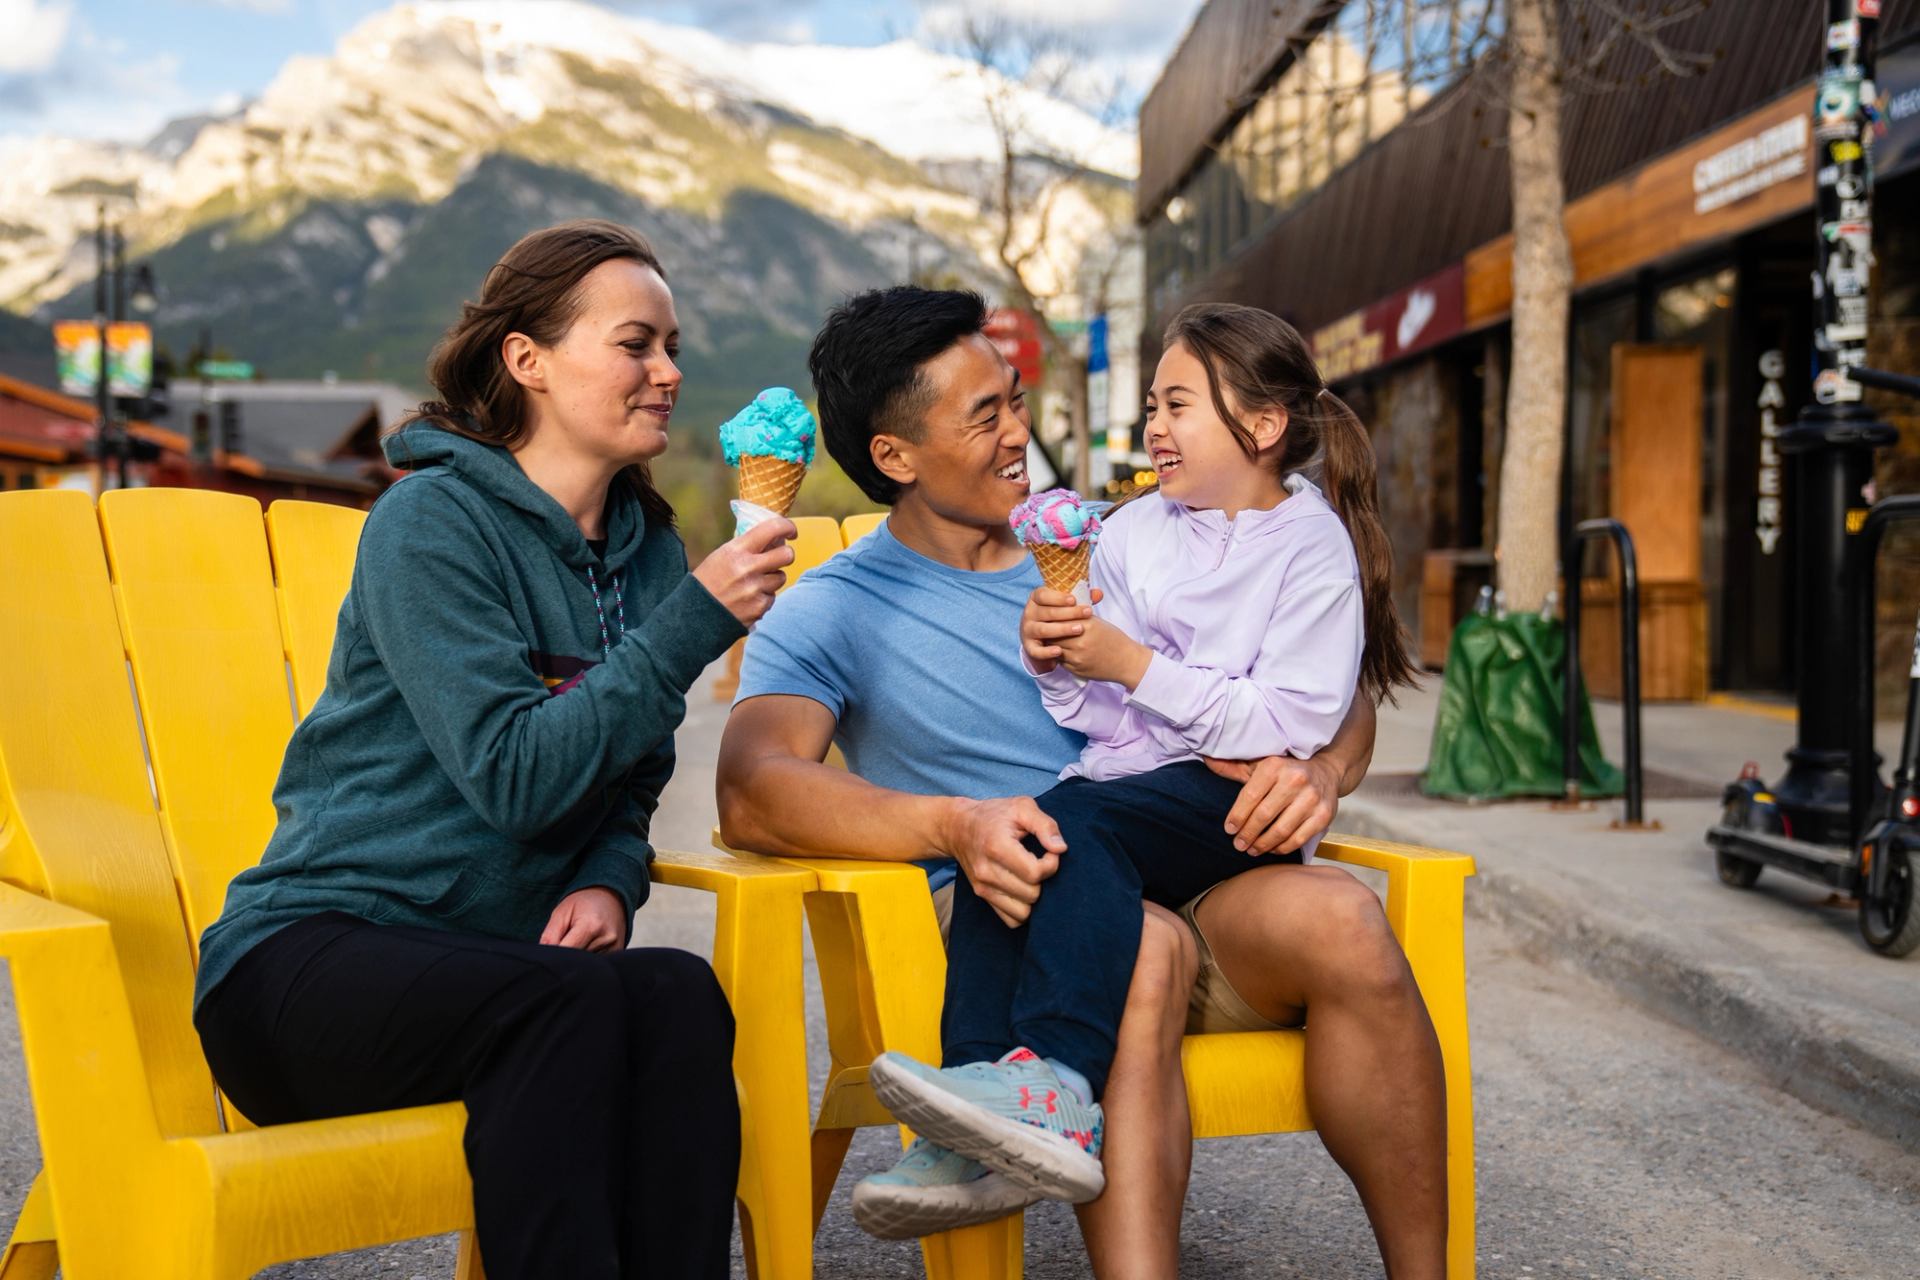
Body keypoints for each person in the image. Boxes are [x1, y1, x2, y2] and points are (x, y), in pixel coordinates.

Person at [716, 285, 1448, 1279]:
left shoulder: (1122, 538)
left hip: (1188, 863)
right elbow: (753, 787)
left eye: (1015, 399)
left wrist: (1323, 767)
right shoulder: (834, 606)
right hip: (1014, 906)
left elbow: (1328, 685)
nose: (1021, 433)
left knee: (1348, 918)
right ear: (896, 455)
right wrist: (957, 825)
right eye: (987, 416)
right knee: (1140, 943)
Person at [191, 220, 796, 1280]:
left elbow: (634, 760)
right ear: (528, 360)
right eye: (636, 344)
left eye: (673, 345)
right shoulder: (430, 526)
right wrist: (695, 622)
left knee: (676, 996)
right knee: (564, 1010)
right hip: (307, 965)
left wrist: (611, 876)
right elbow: (515, 777)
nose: (670, 372)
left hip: (494, 975)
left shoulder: (648, 549)